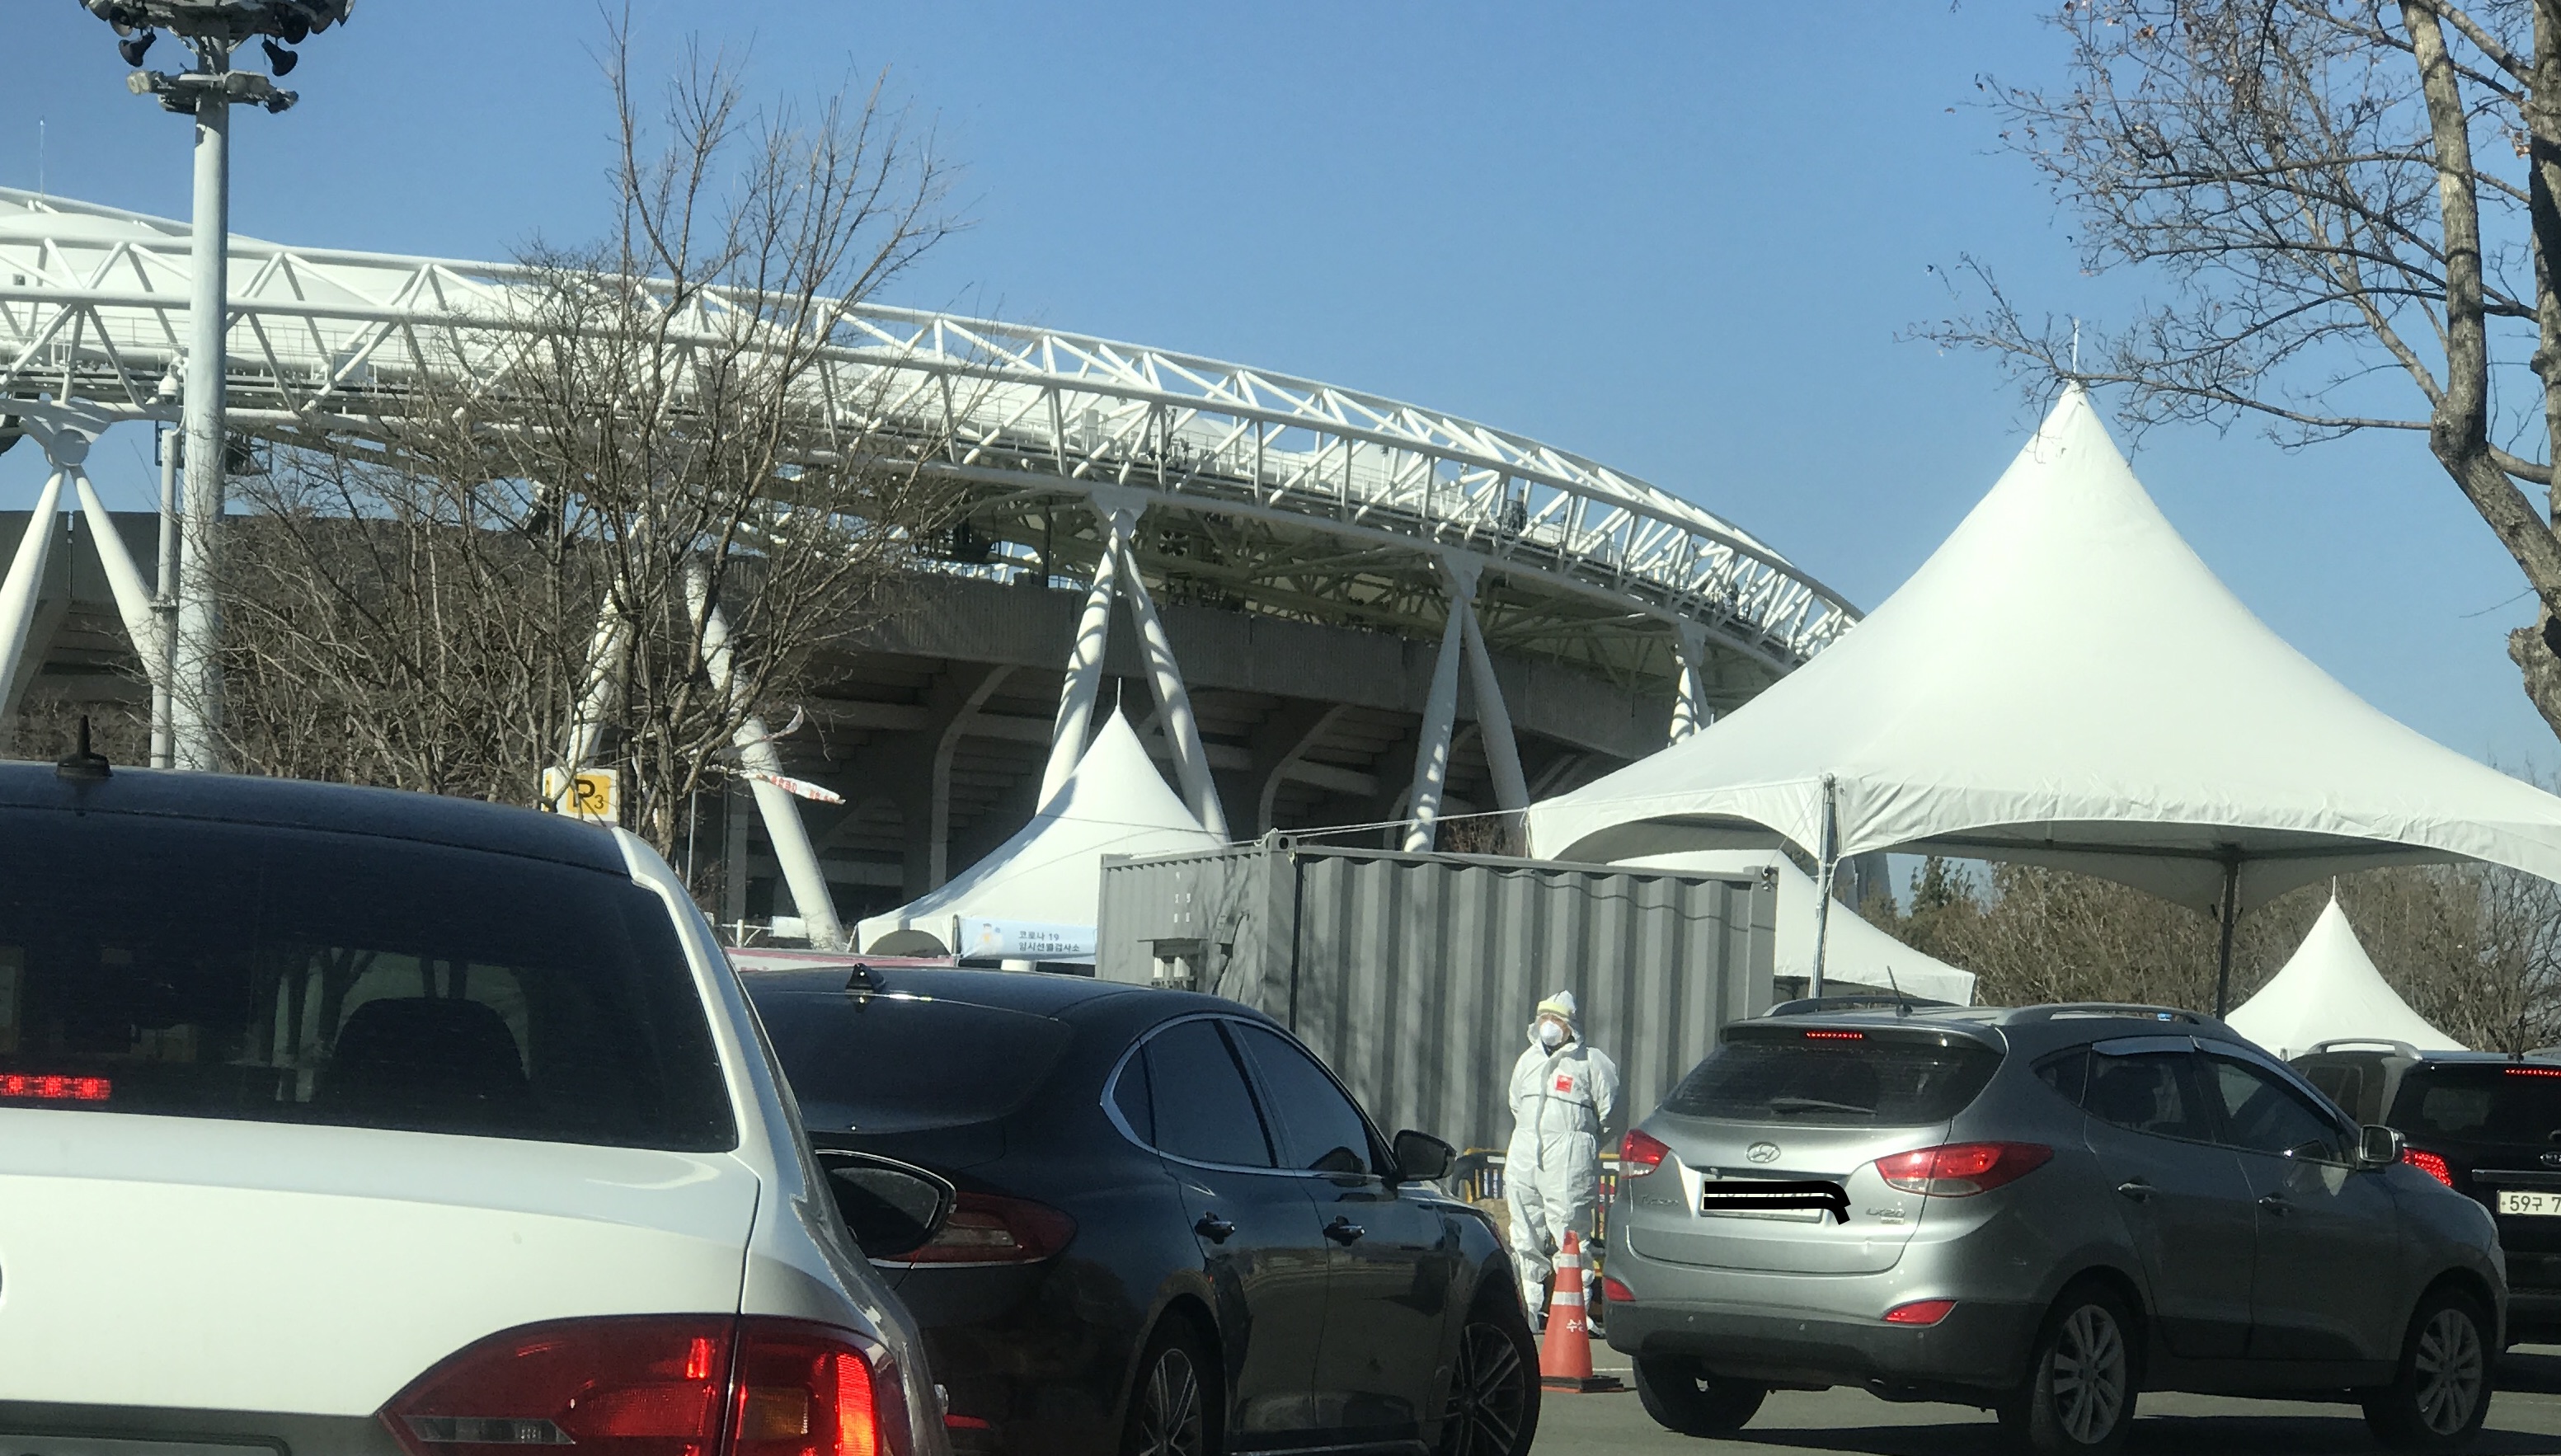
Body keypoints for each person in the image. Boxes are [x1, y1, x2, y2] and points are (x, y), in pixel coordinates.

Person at [1504, 989, 1619, 1327]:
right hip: (1525, 1153)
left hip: (1568, 1158)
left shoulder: (1591, 1062)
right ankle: (1528, 1308)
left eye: (1557, 1019)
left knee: (1570, 1233)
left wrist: (1579, 1142)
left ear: (1571, 1025)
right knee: (1524, 1230)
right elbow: (1516, 1104)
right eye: (1545, 1018)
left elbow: (1608, 1114)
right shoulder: (1527, 1061)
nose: (1550, 1025)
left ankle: (1573, 1313)